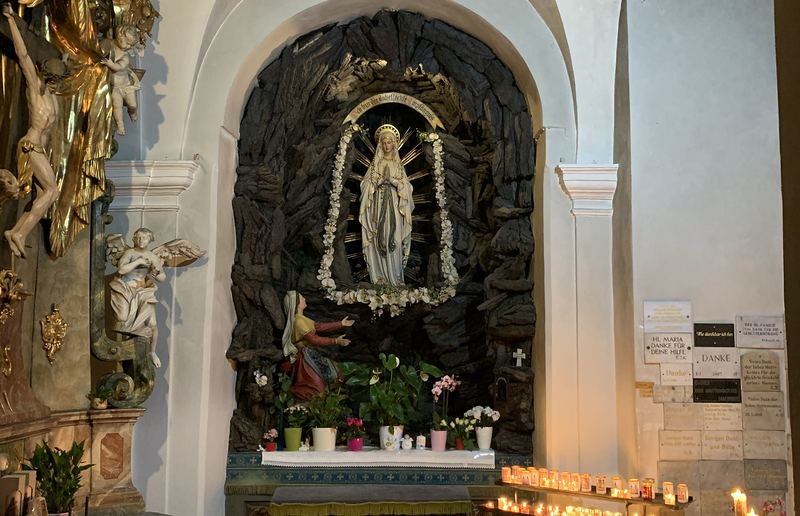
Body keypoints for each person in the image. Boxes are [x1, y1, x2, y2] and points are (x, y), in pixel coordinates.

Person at [2, 4, 61, 258]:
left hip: (40, 149)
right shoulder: (36, 87)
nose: (56, 83)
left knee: (43, 196)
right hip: (30, 146)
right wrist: (10, 20)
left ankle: (15, 232)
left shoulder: (53, 97)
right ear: (46, 74)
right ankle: (18, 234)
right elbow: (23, 54)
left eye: (59, 79)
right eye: (54, 78)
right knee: (52, 191)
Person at [359, 124, 415, 286]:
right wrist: (377, 182)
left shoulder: (398, 165)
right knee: (378, 236)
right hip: (377, 206)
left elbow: (408, 188)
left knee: (395, 237)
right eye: (383, 142)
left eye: (389, 142)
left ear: (394, 144)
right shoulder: (375, 164)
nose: (386, 145)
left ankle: (396, 277)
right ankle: (380, 277)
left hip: (395, 207)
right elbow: (364, 185)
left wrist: (393, 182)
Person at [109, 228, 166, 368]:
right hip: (127, 290)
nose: (141, 240)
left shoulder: (152, 256)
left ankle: (152, 352)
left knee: (153, 324)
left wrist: (156, 273)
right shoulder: (130, 253)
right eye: (138, 237)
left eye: (144, 238)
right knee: (122, 319)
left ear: (149, 240)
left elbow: (162, 277)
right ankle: (124, 352)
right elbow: (121, 270)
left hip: (143, 291)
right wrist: (138, 261)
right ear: (134, 239)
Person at [281, 291, 353, 400]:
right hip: (304, 359)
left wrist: (340, 324)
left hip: (309, 354)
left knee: (334, 372)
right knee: (316, 388)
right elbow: (314, 340)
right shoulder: (298, 322)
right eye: (302, 298)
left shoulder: (301, 319)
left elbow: (318, 327)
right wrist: (335, 341)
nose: (304, 299)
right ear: (296, 303)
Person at [102, 25, 140, 135]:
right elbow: (105, 44)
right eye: (127, 43)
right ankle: (120, 126)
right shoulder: (111, 44)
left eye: (130, 45)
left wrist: (110, 64)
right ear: (120, 36)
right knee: (117, 105)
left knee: (133, 105)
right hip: (115, 87)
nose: (128, 46)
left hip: (126, 86)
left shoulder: (125, 56)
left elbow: (118, 67)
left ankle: (132, 112)